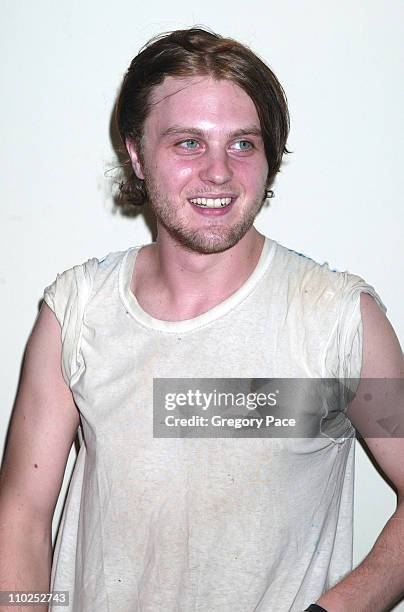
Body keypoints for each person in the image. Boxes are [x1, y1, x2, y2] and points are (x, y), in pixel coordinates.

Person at [0, 26, 403, 612]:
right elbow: (23, 519)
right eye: (188, 143)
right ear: (136, 154)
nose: (219, 172)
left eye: (242, 144)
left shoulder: (340, 320)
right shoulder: (77, 312)